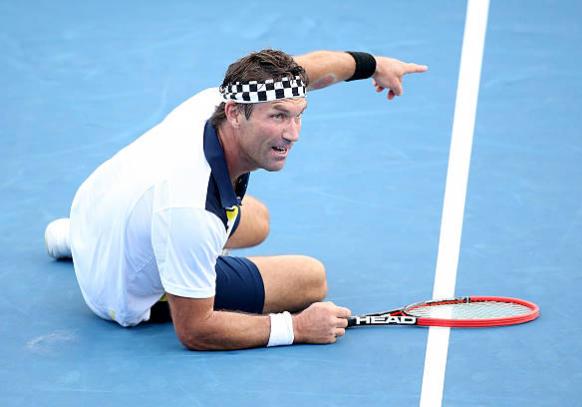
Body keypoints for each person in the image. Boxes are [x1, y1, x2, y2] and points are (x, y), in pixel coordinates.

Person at [44, 50, 427, 350]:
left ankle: (74, 239)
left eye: (298, 115)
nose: (292, 134)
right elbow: (196, 330)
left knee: (257, 219)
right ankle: (151, 268)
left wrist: (373, 64)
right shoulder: (192, 211)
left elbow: (309, 68)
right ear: (235, 114)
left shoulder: (221, 99)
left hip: (97, 214)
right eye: (277, 117)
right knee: (310, 279)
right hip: (119, 293)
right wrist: (295, 327)